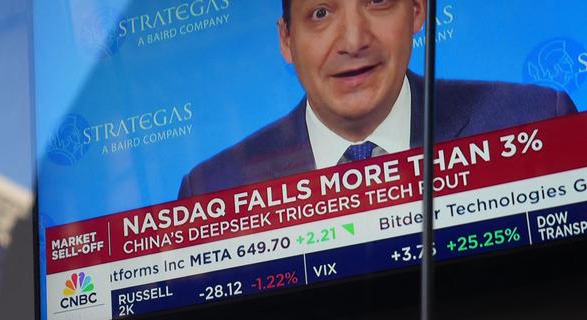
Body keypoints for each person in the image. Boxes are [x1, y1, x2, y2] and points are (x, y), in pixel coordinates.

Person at [178, 0, 577, 198]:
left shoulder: (537, 121)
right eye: (320, 13)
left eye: (378, 0)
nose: (353, 42)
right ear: (287, 40)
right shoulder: (214, 188)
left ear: (418, 11)